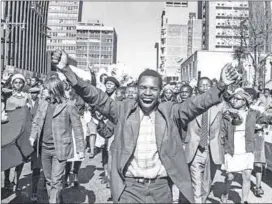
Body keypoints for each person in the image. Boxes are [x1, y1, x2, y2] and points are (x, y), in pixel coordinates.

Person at [51, 49, 239, 203]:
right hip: (130, 187)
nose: (147, 93)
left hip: (161, 188)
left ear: (159, 92)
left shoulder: (171, 111)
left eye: (153, 89)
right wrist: (67, 70)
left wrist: (221, 85)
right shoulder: (122, 109)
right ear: (137, 89)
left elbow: (197, 104)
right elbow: (94, 96)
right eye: (143, 88)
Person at [29, 76, 85, 204]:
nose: (43, 91)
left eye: (46, 89)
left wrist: (81, 149)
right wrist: (33, 136)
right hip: (44, 148)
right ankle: (56, 200)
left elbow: (77, 129)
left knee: (56, 180)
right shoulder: (43, 103)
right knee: (49, 180)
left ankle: (53, 201)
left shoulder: (69, 105)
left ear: (54, 90)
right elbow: (37, 121)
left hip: (60, 149)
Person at [220, 88, 272, 204]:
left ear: (244, 101)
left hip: (247, 148)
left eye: (237, 99)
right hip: (232, 148)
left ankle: (244, 201)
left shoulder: (253, 113)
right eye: (232, 98)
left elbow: (266, 119)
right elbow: (222, 131)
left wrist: (260, 125)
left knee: (246, 176)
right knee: (230, 177)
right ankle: (225, 194)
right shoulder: (227, 114)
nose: (233, 101)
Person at [184, 77, 225, 203]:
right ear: (197, 88)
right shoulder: (190, 104)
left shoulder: (220, 105)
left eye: (208, 85)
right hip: (195, 149)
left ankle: (202, 199)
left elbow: (229, 118)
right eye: (202, 85)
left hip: (212, 150)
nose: (205, 87)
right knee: (196, 183)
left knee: (207, 185)